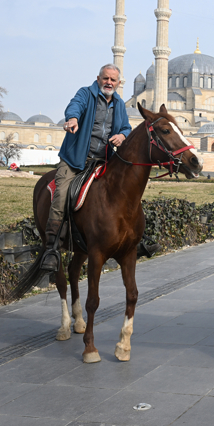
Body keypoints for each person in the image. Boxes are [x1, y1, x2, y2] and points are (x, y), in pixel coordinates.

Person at [40, 64, 132, 272]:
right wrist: (72, 118)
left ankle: (129, 238)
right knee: (62, 194)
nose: (109, 82)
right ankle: (52, 248)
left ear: (118, 83)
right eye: (106, 78)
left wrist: (123, 135)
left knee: (125, 192)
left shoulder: (119, 104)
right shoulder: (86, 94)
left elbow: (126, 126)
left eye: (113, 80)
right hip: (77, 158)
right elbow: (74, 107)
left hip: (104, 160)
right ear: (98, 78)